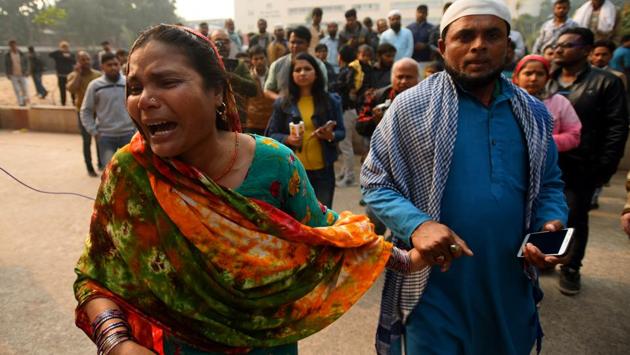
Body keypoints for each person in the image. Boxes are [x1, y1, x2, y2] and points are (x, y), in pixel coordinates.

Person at [73, 24, 423, 355]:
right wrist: (117, 342)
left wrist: (405, 259)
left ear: (218, 94)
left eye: (166, 82)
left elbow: (324, 235)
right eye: (135, 88)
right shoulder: (131, 172)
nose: (145, 100)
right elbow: (94, 277)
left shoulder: (274, 164)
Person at [362, 1, 570, 353]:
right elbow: (375, 183)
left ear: (508, 46)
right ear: (443, 48)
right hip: (434, 292)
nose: (478, 45)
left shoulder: (534, 113)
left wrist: (551, 222)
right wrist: (417, 225)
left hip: (509, 288)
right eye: (465, 36)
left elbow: (549, 184)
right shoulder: (410, 107)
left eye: (492, 35)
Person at [547, 27, 628, 295]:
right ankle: (548, 255)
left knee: (575, 216)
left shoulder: (606, 82)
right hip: (546, 165)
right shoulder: (548, 80)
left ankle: (571, 268)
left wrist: (604, 168)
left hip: (583, 166)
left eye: (567, 45)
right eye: (557, 45)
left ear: (585, 50)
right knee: (548, 214)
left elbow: (617, 127)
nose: (559, 49)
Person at [266, 52, 345, 207]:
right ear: (292, 75)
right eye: (298, 70)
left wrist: (330, 135)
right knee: (298, 217)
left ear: (316, 73)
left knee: (323, 215)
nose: (302, 73)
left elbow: (341, 132)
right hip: (294, 171)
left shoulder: (331, 101)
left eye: (307, 69)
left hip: (324, 170)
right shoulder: (283, 104)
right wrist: (288, 139)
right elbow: (271, 134)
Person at [513, 55, 582, 152]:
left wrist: (542, 143)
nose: (533, 78)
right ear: (516, 77)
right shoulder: (507, 101)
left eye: (540, 74)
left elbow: (574, 135)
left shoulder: (559, 102)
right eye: (528, 73)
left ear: (547, 78)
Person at [80, 52, 136, 169]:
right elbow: (86, 110)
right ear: (102, 67)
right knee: (109, 174)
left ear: (120, 65)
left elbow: (138, 106)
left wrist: (136, 130)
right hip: (106, 137)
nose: (113, 67)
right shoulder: (95, 86)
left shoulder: (128, 83)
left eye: (116, 64)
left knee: (131, 172)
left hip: (128, 135)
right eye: (109, 65)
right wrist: (93, 131)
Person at [264, 26, 328, 101]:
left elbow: (324, 90)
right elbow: (267, 90)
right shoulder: (277, 65)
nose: (295, 46)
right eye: (292, 42)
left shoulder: (318, 65)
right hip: (286, 110)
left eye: (300, 42)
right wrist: (281, 100)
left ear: (308, 44)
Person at [210, 29, 257, 127]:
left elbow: (253, 90)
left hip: (237, 121)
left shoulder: (238, 65)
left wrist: (231, 76)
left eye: (226, 42)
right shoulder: (203, 66)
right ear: (209, 42)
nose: (222, 44)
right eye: (218, 41)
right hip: (211, 122)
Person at [67, 51, 103, 177]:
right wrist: (78, 74)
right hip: (82, 113)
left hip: (98, 113)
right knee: (87, 140)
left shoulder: (98, 75)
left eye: (87, 59)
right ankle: (89, 167)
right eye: (83, 59)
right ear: (78, 62)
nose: (86, 62)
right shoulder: (73, 75)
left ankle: (101, 163)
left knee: (100, 139)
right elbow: (71, 89)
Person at [332, 45, 363, 188]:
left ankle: (350, 177)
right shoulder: (350, 69)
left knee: (346, 145)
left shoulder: (348, 71)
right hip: (348, 110)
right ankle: (345, 172)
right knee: (344, 144)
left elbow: (344, 87)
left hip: (347, 110)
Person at [245, 45, 274, 135]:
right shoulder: (247, 77)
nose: (259, 61)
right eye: (256, 59)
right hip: (253, 124)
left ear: (266, 58)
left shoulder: (273, 76)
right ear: (251, 61)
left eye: (262, 58)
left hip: (272, 122)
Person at [49, 41, 76, 106]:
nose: (65, 48)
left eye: (66, 47)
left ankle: (74, 102)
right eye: (63, 47)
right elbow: (50, 54)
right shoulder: (58, 54)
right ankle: (63, 102)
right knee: (62, 90)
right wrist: (60, 52)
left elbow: (74, 62)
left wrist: (67, 57)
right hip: (60, 75)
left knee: (72, 89)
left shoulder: (71, 54)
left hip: (69, 75)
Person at [4, 40, 30, 106]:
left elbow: (27, 62)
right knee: (17, 89)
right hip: (13, 74)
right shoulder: (7, 55)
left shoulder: (22, 53)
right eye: (11, 46)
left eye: (14, 45)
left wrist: (27, 71)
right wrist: (7, 73)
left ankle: (24, 100)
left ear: (16, 45)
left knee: (25, 89)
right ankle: (20, 102)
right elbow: (6, 64)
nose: (13, 47)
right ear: (9, 46)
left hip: (22, 73)